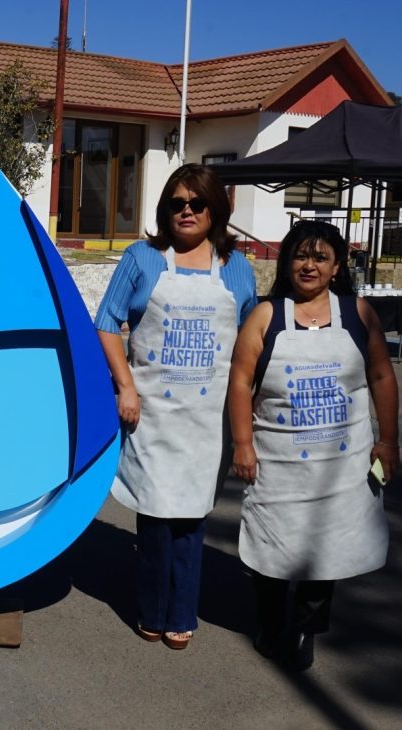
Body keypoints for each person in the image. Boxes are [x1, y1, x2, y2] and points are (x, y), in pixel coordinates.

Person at [95, 164, 257, 650]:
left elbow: (250, 340)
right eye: (177, 203)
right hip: (154, 415)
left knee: (193, 519)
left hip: (207, 420)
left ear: (215, 210)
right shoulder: (142, 258)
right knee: (157, 518)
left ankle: (181, 612)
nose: (186, 211)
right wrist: (125, 386)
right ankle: (151, 607)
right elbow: (106, 323)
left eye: (197, 203)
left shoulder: (237, 267)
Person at [228, 220, 396, 671]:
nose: (309, 265)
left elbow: (381, 375)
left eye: (320, 257)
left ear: (337, 266)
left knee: (328, 548)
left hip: (341, 467)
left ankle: (305, 630)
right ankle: (271, 622)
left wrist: (388, 441)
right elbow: (241, 381)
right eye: (301, 256)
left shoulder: (358, 313)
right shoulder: (266, 315)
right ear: (287, 262)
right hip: (278, 463)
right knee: (270, 544)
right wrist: (242, 443)